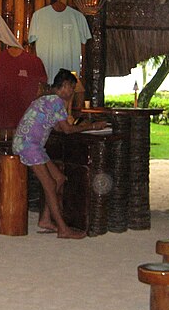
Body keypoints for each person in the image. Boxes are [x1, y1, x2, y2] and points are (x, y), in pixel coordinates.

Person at [12, 69, 108, 239]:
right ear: (63, 86)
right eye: (71, 88)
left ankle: (45, 220)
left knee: (59, 179)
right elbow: (67, 130)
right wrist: (92, 126)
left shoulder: (47, 99)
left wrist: (77, 122)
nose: (72, 92)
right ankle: (63, 229)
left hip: (31, 144)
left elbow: (57, 127)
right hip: (29, 145)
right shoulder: (56, 101)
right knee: (50, 184)